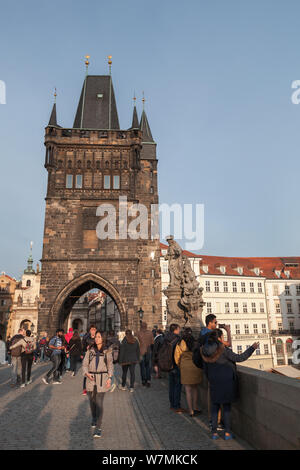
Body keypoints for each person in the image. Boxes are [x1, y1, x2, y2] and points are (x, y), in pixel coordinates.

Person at [201, 328, 259, 440]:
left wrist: (211, 379)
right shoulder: (223, 349)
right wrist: (252, 348)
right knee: (226, 408)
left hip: (213, 381)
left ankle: (214, 433)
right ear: (219, 338)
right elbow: (239, 358)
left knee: (214, 408)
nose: (223, 339)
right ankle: (227, 433)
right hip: (226, 382)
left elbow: (205, 369)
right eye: (222, 337)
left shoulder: (205, 350)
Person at [82, 330, 114, 438]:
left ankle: (98, 428)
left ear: (103, 339)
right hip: (91, 379)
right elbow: (85, 364)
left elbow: (110, 366)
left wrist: (110, 378)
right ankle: (94, 418)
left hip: (102, 379)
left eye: (99, 337)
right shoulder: (90, 351)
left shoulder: (107, 351)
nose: (96, 338)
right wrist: (86, 373)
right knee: (92, 401)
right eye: (96, 337)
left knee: (99, 403)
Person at [174, 328, 202, 417]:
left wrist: (180, 365)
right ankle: (195, 407)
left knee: (188, 390)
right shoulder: (195, 342)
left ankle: (191, 411)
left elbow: (177, 357)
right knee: (195, 388)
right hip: (195, 366)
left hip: (185, 367)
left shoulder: (180, 343)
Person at [164, 323, 185, 414]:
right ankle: (177, 406)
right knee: (177, 386)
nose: (179, 331)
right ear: (175, 330)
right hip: (176, 364)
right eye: (179, 329)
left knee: (171, 386)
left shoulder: (165, 338)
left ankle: (172, 405)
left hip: (168, 364)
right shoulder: (178, 339)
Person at [137, 321, 154, 387]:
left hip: (140, 352)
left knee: (142, 367)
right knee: (148, 366)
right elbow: (152, 342)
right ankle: (148, 380)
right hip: (148, 351)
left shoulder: (138, 333)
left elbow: (136, 343)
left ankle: (143, 380)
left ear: (141, 326)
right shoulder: (150, 333)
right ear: (146, 326)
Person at [82, 325, 97, 395]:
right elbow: (83, 346)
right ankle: (85, 389)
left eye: (94, 329)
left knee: (96, 373)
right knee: (86, 374)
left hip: (96, 358)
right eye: (92, 329)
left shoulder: (98, 337)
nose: (93, 331)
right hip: (88, 357)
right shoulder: (86, 338)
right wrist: (85, 348)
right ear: (90, 330)